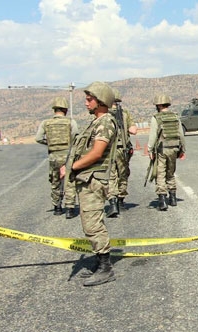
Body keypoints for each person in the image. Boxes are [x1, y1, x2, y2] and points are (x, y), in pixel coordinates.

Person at [60, 81, 117, 286]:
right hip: (89, 179)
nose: (86, 102)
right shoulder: (96, 122)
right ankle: (100, 263)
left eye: (89, 98)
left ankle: (105, 268)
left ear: (100, 101)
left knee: (92, 225)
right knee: (89, 223)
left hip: (94, 180)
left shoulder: (105, 122)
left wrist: (73, 167)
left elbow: (96, 152)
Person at [35, 96, 79, 219]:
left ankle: (57, 207)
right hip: (67, 155)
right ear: (65, 109)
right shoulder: (71, 122)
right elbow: (76, 136)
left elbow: (38, 138)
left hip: (53, 156)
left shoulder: (45, 123)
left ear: (54, 109)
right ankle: (70, 209)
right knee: (69, 181)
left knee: (55, 181)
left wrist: (49, 143)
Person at [147, 94, 186, 210]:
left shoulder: (156, 117)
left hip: (162, 149)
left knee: (160, 173)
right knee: (171, 172)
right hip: (174, 148)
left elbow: (153, 135)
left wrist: (150, 149)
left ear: (159, 105)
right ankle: (173, 198)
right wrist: (183, 149)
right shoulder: (175, 116)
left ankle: (162, 200)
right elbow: (181, 135)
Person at [106, 88, 137, 217]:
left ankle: (112, 203)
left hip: (108, 151)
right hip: (122, 148)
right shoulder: (125, 113)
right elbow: (134, 130)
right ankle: (121, 201)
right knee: (123, 174)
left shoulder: (104, 115)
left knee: (111, 176)